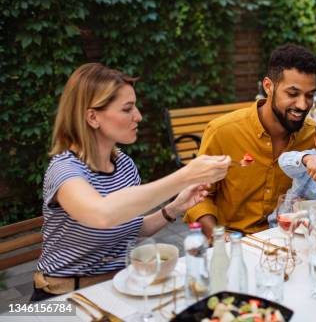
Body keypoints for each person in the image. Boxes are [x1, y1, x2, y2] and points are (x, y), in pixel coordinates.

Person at [32, 63, 230, 301]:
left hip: (121, 287)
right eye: (127, 109)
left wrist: (176, 207)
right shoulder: (64, 169)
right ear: (92, 117)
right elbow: (103, 215)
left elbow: (131, 227)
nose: (138, 116)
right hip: (64, 296)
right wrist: (186, 175)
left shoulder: (124, 165)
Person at [184, 44, 316, 238]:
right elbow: (198, 197)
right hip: (232, 242)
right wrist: (218, 237)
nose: (302, 104)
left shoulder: (312, 136)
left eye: (309, 95)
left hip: (289, 240)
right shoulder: (223, 132)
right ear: (268, 87)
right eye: (292, 94)